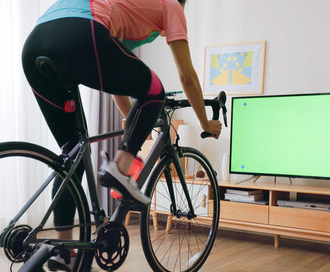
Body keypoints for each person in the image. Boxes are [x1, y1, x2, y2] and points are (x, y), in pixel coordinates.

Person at [21, 0, 221, 249]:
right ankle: (120, 169)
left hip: (34, 43)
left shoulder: (128, 9)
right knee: (155, 91)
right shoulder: (172, 5)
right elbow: (187, 76)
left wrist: (136, 129)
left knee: (72, 155)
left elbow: (116, 85)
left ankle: (62, 251)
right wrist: (206, 123)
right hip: (81, 31)